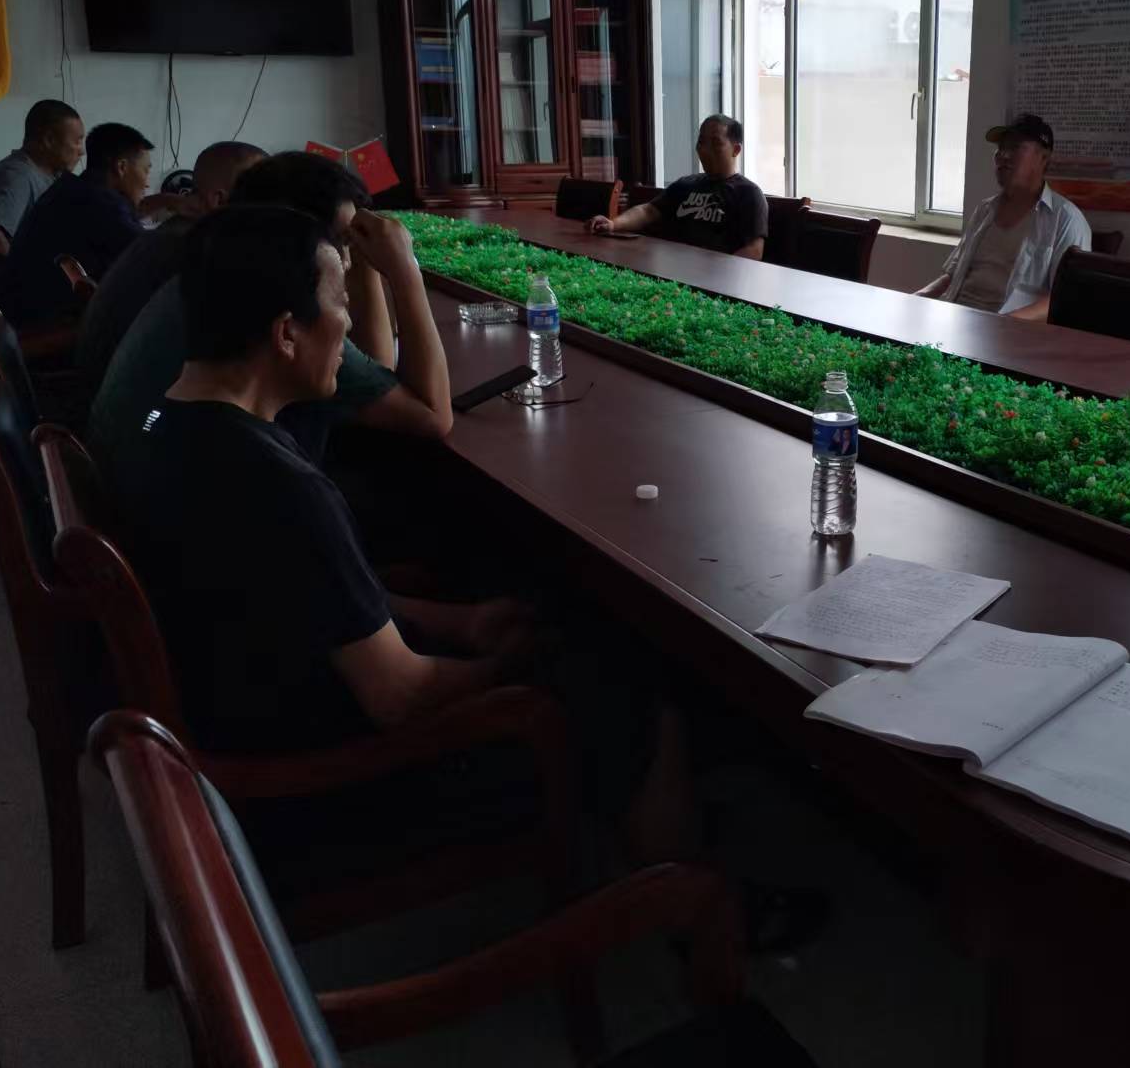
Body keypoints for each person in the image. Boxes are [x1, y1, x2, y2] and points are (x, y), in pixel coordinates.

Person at [107, 206, 693, 871]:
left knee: (537, 623)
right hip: (318, 784)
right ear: (286, 333)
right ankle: (675, 900)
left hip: (244, 701)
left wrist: (463, 622)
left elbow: (316, 596)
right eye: (339, 300)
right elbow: (401, 695)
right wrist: (514, 667)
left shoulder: (164, 421)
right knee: (629, 684)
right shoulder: (278, 485)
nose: (351, 321)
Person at [88, 150, 453, 469]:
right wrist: (406, 272)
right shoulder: (281, 315)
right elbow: (432, 417)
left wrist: (363, 259)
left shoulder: (215, 276)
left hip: (138, 485)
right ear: (292, 236)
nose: (346, 260)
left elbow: (371, 380)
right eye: (340, 243)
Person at [76, 140, 267, 397]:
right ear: (219, 200)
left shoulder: (174, 234)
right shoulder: (200, 253)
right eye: (263, 193)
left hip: (100, 392)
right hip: (128, 406)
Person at [915, 114, 1091, 319]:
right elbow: (952, 275)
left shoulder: (1066, 220)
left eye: (1015, 147)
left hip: (1012, 329)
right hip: (956, 317)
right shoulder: (985, 210)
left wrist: (1006, 324)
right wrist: (917, 298)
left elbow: (1064, 297)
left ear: (1043, 158)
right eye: (1000, 148)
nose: (1003, 155)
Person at [0, 121, 149, 328]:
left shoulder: (72, 190)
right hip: (43, 331)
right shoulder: (100, 203)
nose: (147, 182)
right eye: (146, 170)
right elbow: (154, 255)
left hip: (15, 318)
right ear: (121, 167)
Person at [588, 114, 767, 258]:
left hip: (714, 280)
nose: (705, 150)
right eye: (701, 142)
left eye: (715, 143)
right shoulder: (686, 184)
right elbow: (648, 211)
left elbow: (754, 251)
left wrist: (718, 278)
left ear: (736, 150)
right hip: (672, 269)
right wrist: (613, 224)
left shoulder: (748, 193)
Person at [0, 98, 84, 241]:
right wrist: (16, 257)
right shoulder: (18, 176)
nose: (82, 151)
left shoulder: (48, 174)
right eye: (77, 141)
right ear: (49, 140)